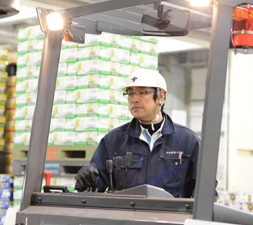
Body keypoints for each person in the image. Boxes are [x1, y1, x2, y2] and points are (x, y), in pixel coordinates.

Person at [75, 68, 200, 198]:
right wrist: (87, 180)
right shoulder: (113, 141)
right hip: (127, 216)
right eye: (130, 94)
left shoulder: (188, 141)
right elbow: (94, 189)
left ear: (160, 96)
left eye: (141, 92)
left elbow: (203, 189)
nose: (134, 99)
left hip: (170, 216)